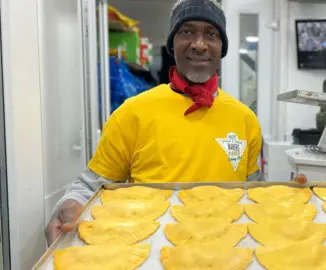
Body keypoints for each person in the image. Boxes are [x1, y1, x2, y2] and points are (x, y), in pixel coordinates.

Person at [45, 0, 306, 246]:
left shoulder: (245, 119)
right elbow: (90, 186)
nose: (199, 44)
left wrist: (285, 199)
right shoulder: (133, 113)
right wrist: (71, 203)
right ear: (173, 44)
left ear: (222, 48)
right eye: (187, 32)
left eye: (211, 34)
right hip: (151, 250)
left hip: (224, 249)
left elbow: (253, 190)